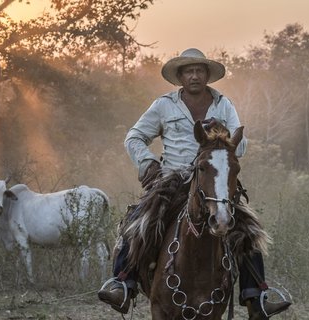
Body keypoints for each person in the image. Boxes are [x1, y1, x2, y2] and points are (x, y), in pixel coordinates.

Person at [97, 48, 291, 319]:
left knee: (248, 231)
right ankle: (122, 283)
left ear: (207, 75)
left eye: (200, 70)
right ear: (180, 76)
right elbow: (134, 137)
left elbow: (240, 145)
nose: (195, 75)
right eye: (189, 71)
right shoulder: (164, 105)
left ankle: (257, 296)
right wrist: (148, 164)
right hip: (172, 180)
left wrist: (219, 134)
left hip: (213, 181)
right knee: (137, 221)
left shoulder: (223, 104)